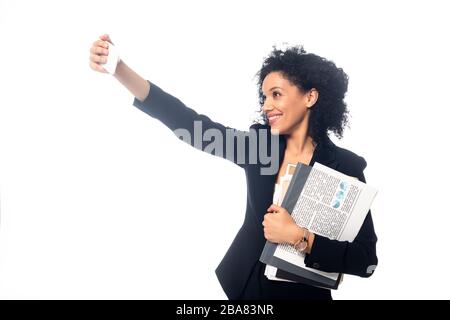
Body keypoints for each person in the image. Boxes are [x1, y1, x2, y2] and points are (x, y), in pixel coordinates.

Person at [89, 34, 378, 300]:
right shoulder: (258, 147)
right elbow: (189, 124)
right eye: (264, 96)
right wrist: (120, 69)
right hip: (244, 289)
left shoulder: (346, 167)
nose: (266, 106)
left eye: (276, 94)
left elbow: (365, 260)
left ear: (310, 97)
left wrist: (301, 238)